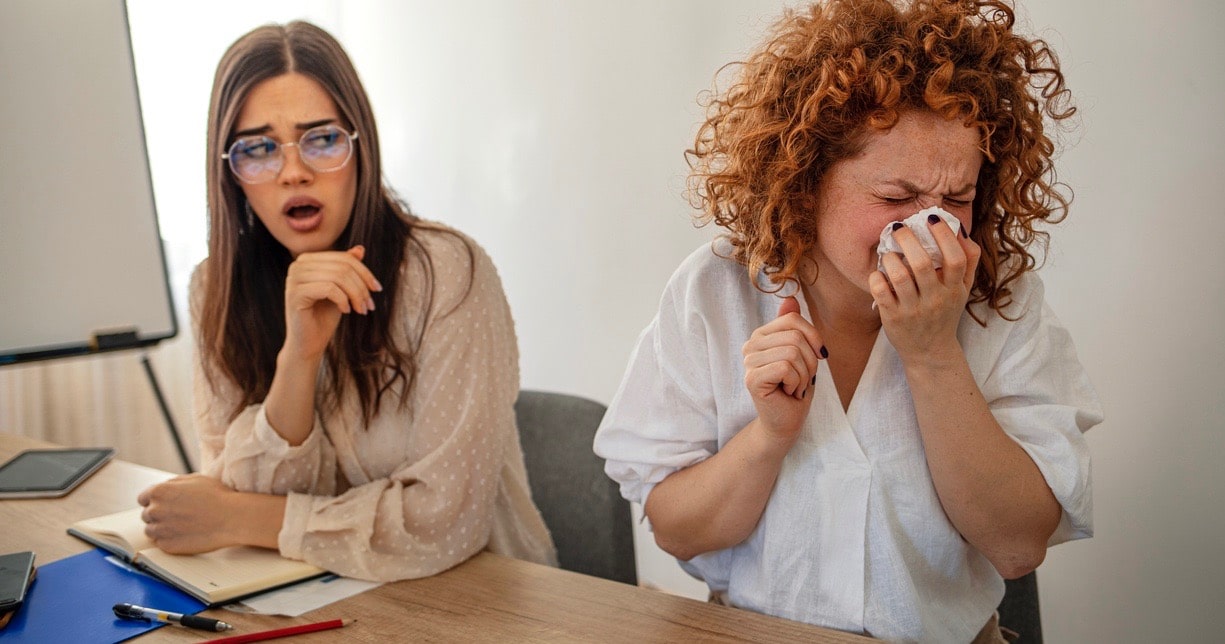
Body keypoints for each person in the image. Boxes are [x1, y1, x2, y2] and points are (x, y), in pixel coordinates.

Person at [593, 0, 1101, 641]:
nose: (929, 227)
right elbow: (676, 529)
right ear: (804, 181)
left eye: (958, 198)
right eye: (894, 197)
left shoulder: (1004, 300)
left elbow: (1020, 545)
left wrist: (931, 353)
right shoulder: (713, 291)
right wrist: (769, 437)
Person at [136, 21, 555, 582]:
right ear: (230, 174)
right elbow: (239, 488)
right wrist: (299, 359)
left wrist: (239, 518)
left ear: (362, 147)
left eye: (322, 138)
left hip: (479, 598)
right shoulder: (214, 287)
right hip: (311, 599)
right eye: (258, 148)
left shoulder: (449, 272)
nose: (293, 171)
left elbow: (444, 523)